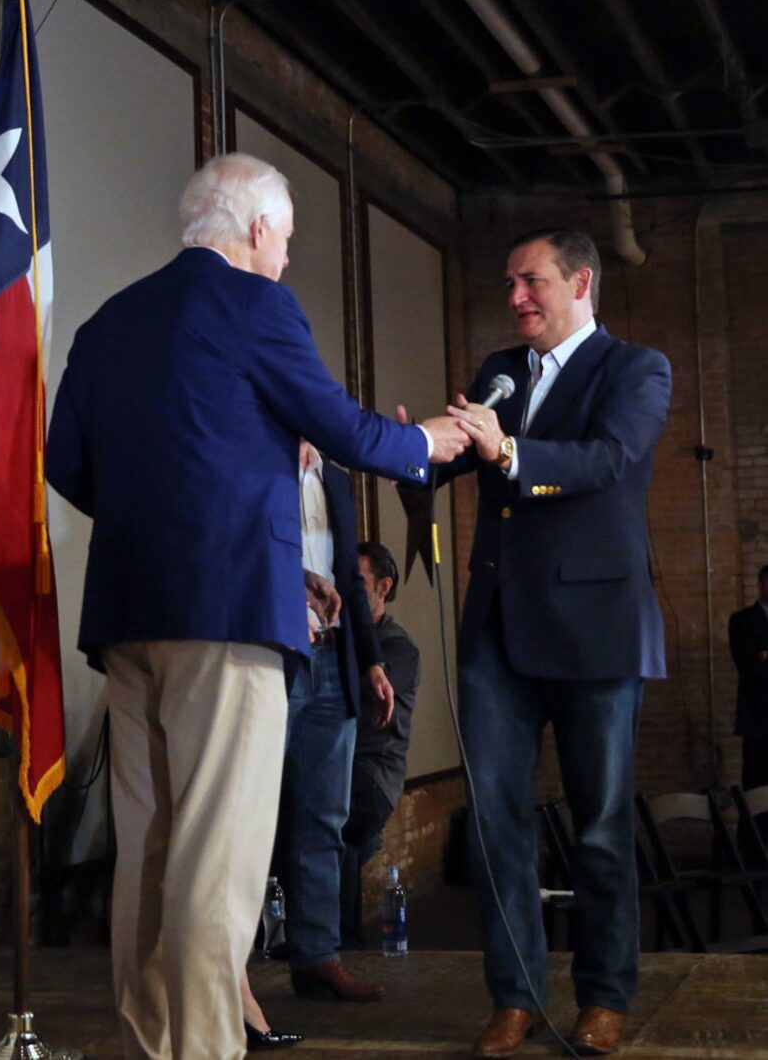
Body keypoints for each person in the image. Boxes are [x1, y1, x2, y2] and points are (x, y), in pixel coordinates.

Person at [45, 152, 470, 1060]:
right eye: (285, 239)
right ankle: (206, 1047)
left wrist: (168, 528)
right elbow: (345, 429)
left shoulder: (107, 321)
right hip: (230, 618)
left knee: (151, 849)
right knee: (218, 855)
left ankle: (156, 1043)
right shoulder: (255, 303)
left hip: (127, 614)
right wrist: (427, 440)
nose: (285, 258)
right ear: (254, 229)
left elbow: (67, 465)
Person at [441, 228, 671, 1058]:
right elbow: (456, 451)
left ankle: (605, 997)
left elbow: (608, 459)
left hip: (596, 635)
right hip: (496, 633)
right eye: (509, 284)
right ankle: (517, 997)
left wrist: (510, 449)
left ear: (580, 282)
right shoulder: (498, 372)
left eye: (530, 282)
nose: (515, 299)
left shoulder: (638, 369)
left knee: (603, 825)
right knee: (497, 824)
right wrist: (405, 447)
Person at [277, 441, 391, 1002]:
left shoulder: (338, 480)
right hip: (272, 655)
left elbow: (350, 576)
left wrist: (370, 661)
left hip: (334, 658)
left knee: (326, 816)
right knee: (244, 817)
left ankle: (317, 956)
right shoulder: (254, 457)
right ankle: (224, 970)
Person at [340, 541, 420, 947]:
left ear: (383, 586)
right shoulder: (341, 636)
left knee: (325, 815)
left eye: (358, 581)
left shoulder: (397, 647)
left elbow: (355, 696)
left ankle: (339, 946)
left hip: (373, 775)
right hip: (342, 766)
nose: (346, 589)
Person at [728, 565, 768, 794]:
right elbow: (749, 667)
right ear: (761, 585)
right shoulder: (742, 620)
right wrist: (759, 659)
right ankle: (755, 831)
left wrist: (765, 655)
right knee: (757, 786)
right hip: (758, 718)